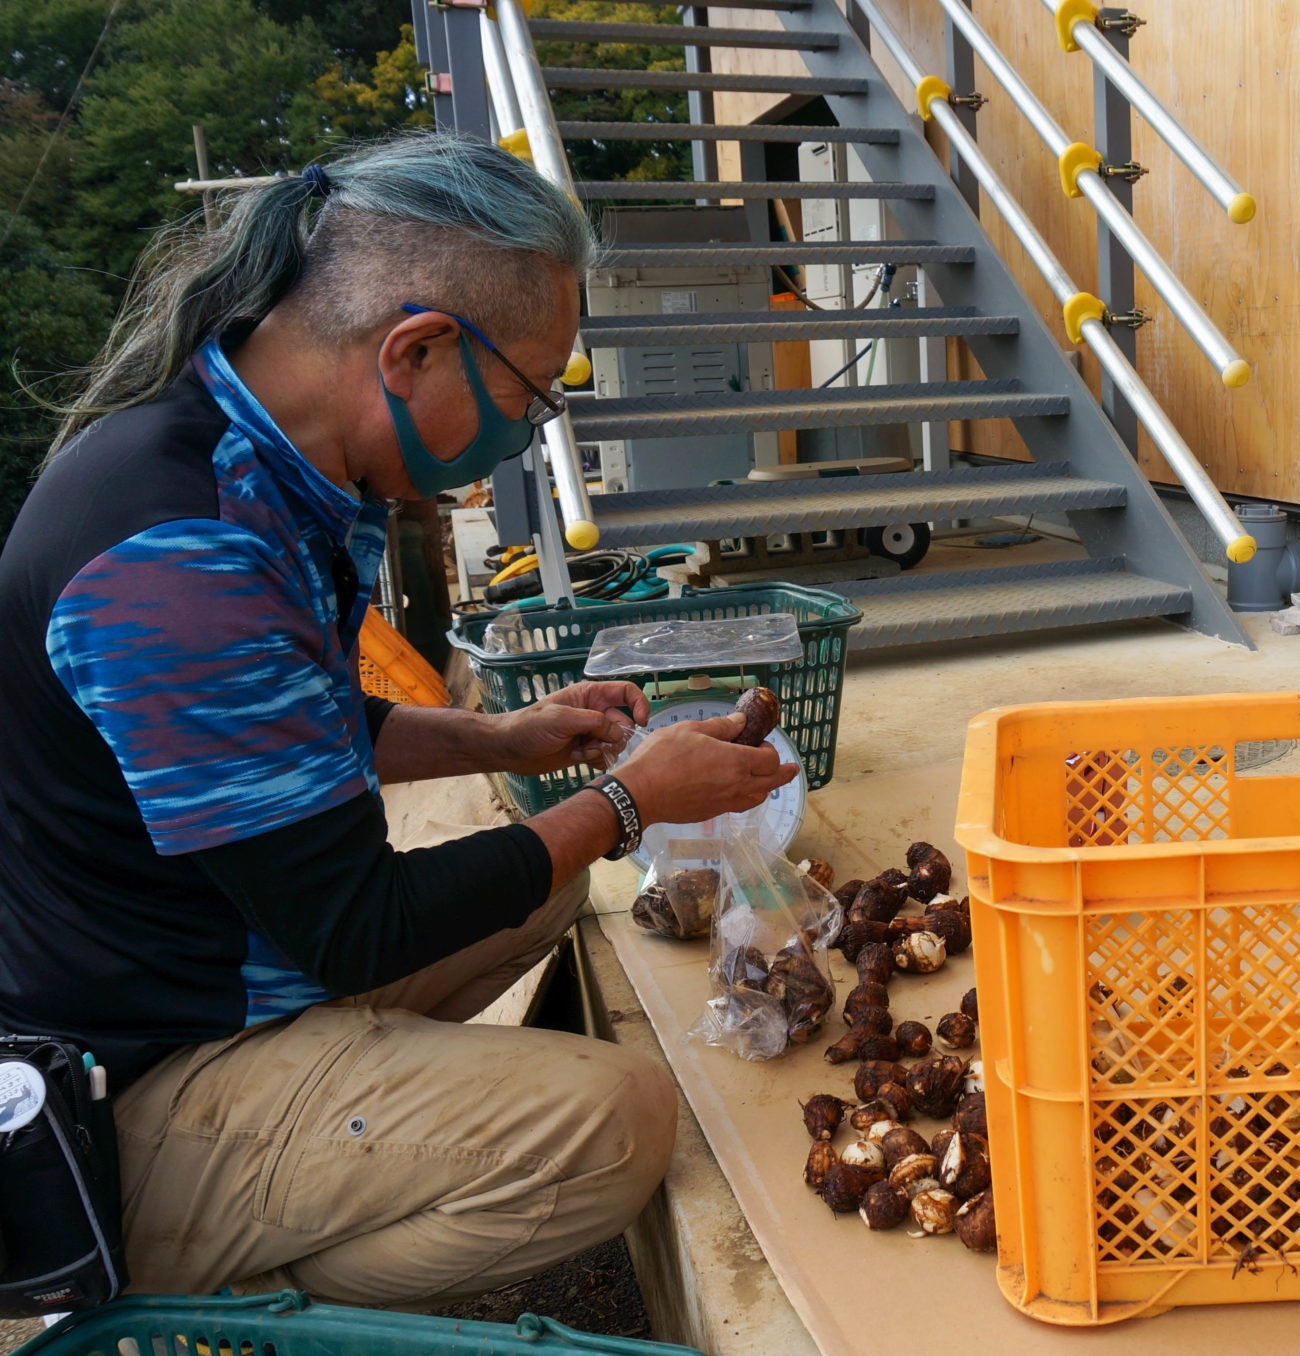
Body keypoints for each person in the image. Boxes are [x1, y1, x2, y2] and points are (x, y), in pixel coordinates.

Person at [0, 132, 800, 1306]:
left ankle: (331, 1160)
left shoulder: (255, 465)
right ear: (416, 351)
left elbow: (296, 726)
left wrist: (502, 740)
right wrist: (628, 800)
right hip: (139, 1074)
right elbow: (356, 931)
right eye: (530, 395)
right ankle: (236, 1291)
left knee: (550, 878)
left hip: (223, 960)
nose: (526, 437)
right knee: (616, 1122)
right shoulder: (178, 554)